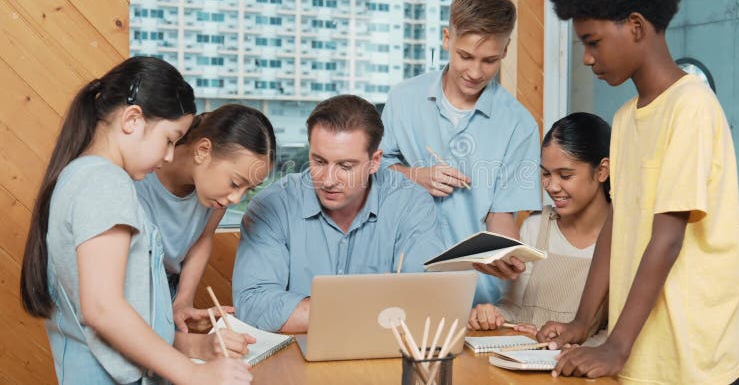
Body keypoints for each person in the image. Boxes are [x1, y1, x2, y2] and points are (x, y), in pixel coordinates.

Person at [538, 0, 739, 384]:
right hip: (644, 353)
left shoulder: (691, 107)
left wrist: (615, 346)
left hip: (698, 359)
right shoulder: (624, 119)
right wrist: (583, 323)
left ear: (636, 27)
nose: (587, 58)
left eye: (593, 41)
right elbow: (617, 227)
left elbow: (668, 240)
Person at [19, 57, 253, 385]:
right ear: (132, 120)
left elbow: (131, 312)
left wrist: (196, 346)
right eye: (170, 139)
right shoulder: (105, 183)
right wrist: (193, 373)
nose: (170, 155)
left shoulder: (83, 176)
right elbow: (103, 309)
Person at [379, 0, 541, 304]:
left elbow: (501, 215)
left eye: (489, 60)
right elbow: (372, 174)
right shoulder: (403, 99)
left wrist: (505, 254)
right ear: (446, 39)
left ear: (505, 51)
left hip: (476, 292)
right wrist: (417, 177)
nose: (475, 71)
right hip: (401, 279)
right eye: (465, 56)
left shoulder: (519, 125)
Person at [232, 95, 446, 332]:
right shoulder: (272, 205)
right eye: (319, 162)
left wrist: (313, 311)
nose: (329, 180)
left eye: (345, 167)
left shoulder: (411, 203)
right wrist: (372, 305)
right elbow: (253, 306)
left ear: (374, 162)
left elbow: (426, 300)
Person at [467, 113, 610, 347]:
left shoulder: (623, 238)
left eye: (565, 175)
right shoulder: (536, 227)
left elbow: (614, 336)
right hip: (523, 362)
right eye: (545, 174)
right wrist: (493, 316)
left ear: (602, 171)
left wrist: (568, 346)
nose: (552, 187)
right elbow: (513, 308)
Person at [135, 104, 277, 333]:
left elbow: (203, 238)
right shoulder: (140, 174)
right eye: (235, 183)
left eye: (248, 190)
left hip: (166, 290)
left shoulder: (216, 196)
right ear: (203, 150)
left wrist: (182, 302)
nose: (236, 198)